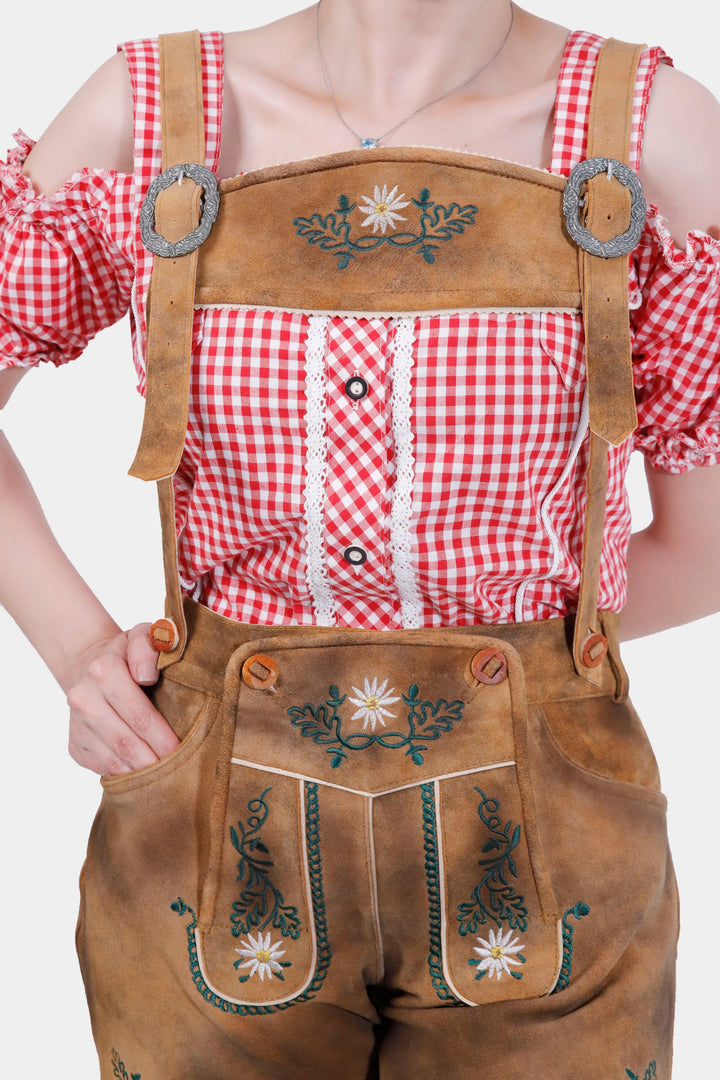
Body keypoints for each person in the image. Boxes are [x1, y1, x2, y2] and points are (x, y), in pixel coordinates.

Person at [1, 1, 719, 1076]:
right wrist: (75, 649)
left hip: (551, 834)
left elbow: (706, 552)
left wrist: (532, 665)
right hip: (203, 822)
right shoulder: (148, 112)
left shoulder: (652, 133)